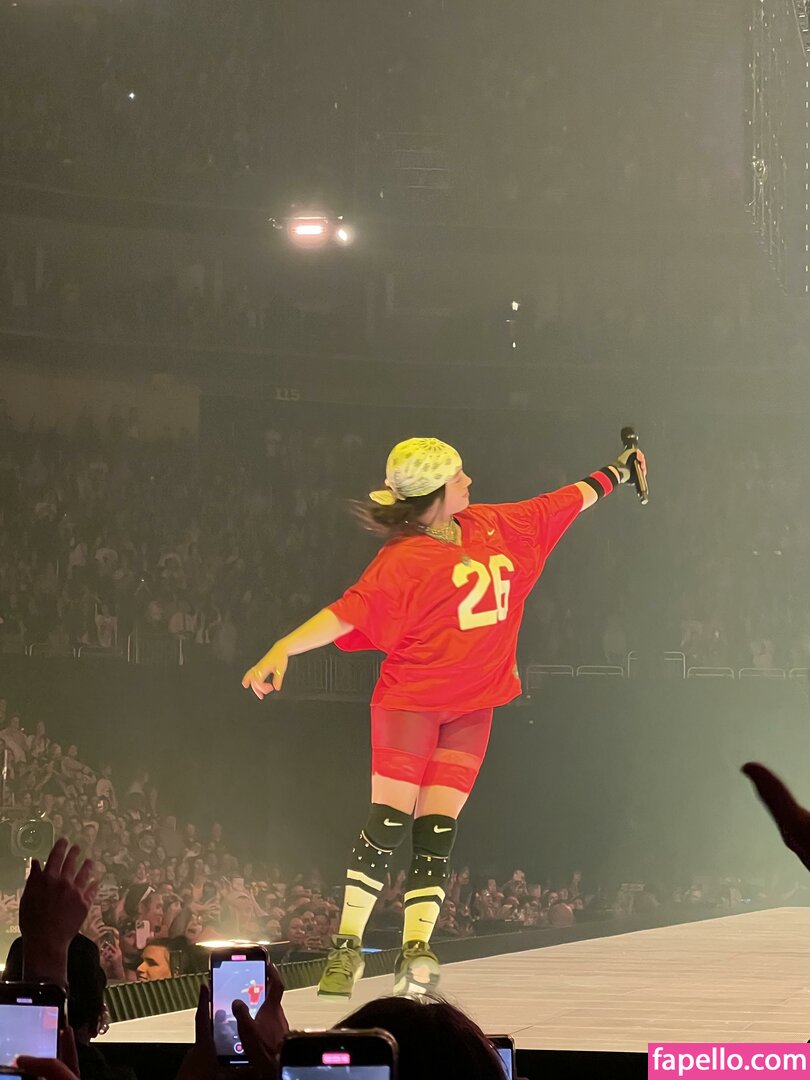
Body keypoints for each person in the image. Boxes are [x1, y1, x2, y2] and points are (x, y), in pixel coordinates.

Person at [243, 435, 647, 998]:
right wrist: (283, 647)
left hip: (471, 707)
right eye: (458, 477)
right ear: (434, 494)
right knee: (387, 822)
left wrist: (617, 472)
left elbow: (561, 502)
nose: (469, 481)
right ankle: (346, 947)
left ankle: (416, 948)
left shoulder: (492, 524)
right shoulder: (403, 560)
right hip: (410, 703)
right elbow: (347, 613)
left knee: (436, 832)